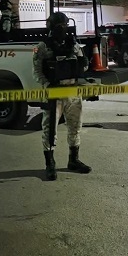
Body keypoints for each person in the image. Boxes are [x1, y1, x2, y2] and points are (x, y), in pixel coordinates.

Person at [32, 12, 91, 180]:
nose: (61, 28)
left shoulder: (74, 44)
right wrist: (48, 86)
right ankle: (50, 164)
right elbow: (37, 72)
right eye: (58, 25)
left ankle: (74, 160)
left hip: (72, 91)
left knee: (75, 127)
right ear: (51, 26)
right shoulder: (42, 47)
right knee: (49, 130)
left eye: (64, 25)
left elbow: (83, 66)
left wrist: (83, 63)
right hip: (53, 93)